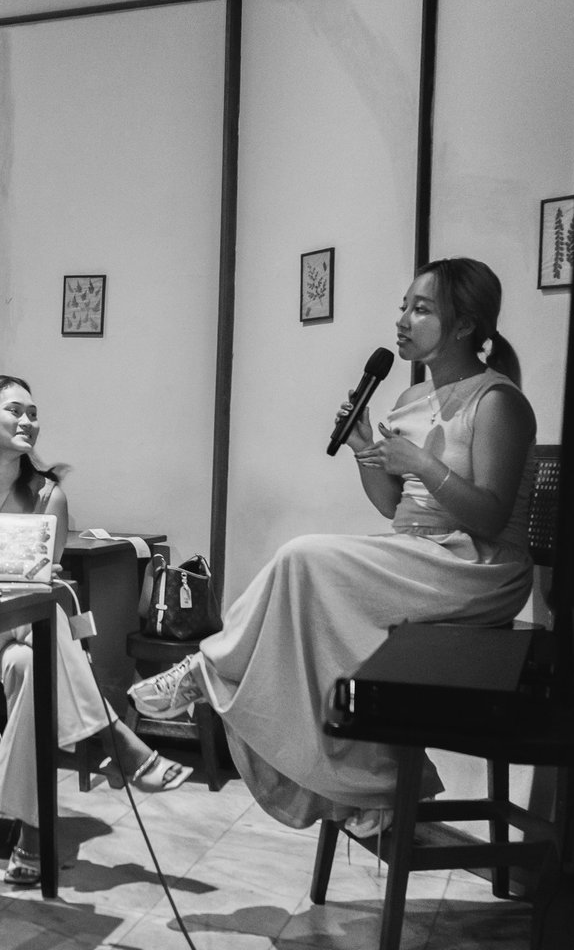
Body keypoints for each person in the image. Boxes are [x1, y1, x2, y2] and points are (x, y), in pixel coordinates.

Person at [128, 258, 538, 835]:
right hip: (419, 554)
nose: (402, 320)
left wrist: (421, 461)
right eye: (403, 306)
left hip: (477, 568)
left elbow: (492, 516)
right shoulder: (412, 397)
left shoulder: (497, 401)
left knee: (303, 558)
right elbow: (393, 506)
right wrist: (365, 448)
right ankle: (368, 784)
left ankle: (208, 670)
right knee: (310, 596)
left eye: (421, 309)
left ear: (465, 325)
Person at [0, 375, 189, 886]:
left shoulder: (48, 497)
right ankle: (114, 737)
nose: (28, 421)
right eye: (15, 411)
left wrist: (16, 584)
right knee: (42, 617)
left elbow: (40, 583)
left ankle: (32, 838)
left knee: (32, 661)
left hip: (14, 640)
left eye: (33, 413)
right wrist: (13, 583)